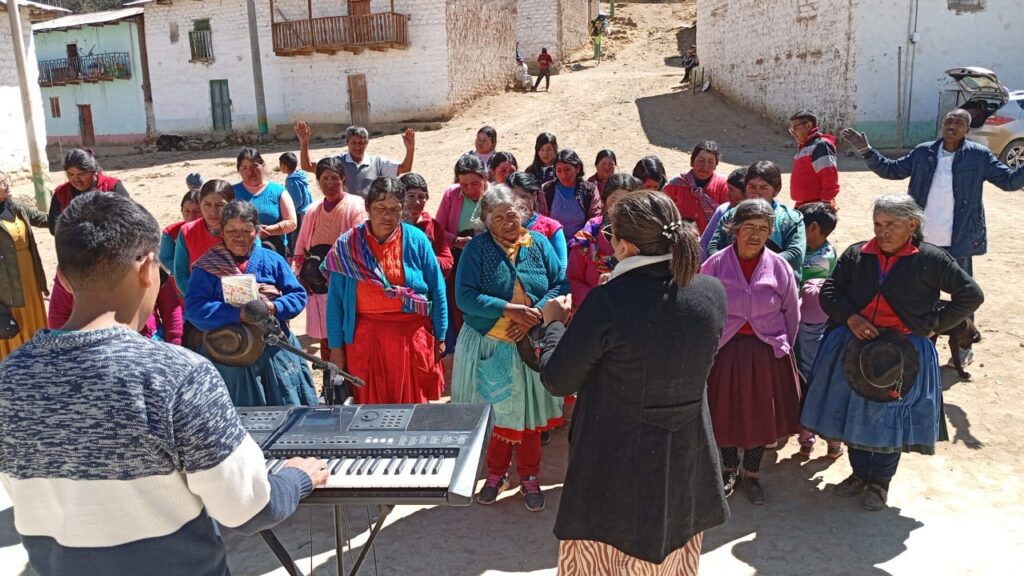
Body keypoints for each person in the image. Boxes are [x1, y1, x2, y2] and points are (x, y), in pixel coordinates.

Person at [0, 192, 328, 576]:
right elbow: (250, 509)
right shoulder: (179, 376)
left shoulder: (10, 377)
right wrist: (297, 477)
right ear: (146, 268)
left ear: (65, 280)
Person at [537, 189, 728, 575]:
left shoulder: (608, 301)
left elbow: (559, 379)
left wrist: (553, 322)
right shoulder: (711, 292)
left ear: (622, 245)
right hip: (683, 460)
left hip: (616, 466)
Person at [801, 195, 983, 511]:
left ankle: (879, 484)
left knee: (889, 418)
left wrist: (933, 325)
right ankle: (859, 475)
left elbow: (971, 294)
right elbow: (831, 291)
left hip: (904, 354)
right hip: (854, 347)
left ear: (911, 226)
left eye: (891, 225)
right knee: (853, 412)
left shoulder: (932, 259)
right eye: (878, 224)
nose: (882, 232)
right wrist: (851, 318)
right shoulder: (857, 254)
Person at [452, 185, 567, 512]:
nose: (507, 222)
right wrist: (508, 309)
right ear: (486, 221)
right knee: (497, 414)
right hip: (493, 342)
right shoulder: (477, 249)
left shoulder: (539, 243)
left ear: (524, 213)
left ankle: (530, 477)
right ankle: (496, 474)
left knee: (529, 415)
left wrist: (534, 316)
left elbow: (560, 284)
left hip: (532, 343)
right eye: (498, 217)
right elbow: (465, 297)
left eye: (512, 214)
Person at [700, 199, 803, 505]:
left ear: (770, 231)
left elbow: (791, 312)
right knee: (725, 412)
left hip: (765, 352)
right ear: (734, 229)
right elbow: (703, 306)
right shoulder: (715, 264)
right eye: (749, 228)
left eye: (762, 228)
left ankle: (753, 473)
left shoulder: (779, 266)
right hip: (725, 351)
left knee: (761, 416)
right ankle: (729, 470)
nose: (755, 235)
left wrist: (784, 348)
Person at [325, 177, 448, 404]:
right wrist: (336, 347)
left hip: (410, 340)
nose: (388, 215)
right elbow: (335, 302)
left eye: (395, 209)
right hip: (365, 340)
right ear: (367, 208)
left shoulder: (417, 240)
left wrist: (440, 335)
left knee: (413, 409)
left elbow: (437, 289)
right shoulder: (348, 245)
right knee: (370, 409)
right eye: (380, 208)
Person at [185, 201, 318, 407]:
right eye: (231, 230)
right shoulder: (206, 268)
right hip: (229, 354)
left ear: (256, 231)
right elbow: (194, 309)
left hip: (274, 345)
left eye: (246, 230)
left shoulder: (272, 260)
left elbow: (297, 295)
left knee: (286, 405)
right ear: (221, 231)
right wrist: (238, 315)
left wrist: (273, 307)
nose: (238, 237)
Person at [292, 157, 367, 359]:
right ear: (318, 181)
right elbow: (300, 244)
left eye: (335, 178)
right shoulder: (313, 210)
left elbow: (358, 243)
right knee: (326, 336)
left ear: (343, 179)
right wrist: (301, 275)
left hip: (344, 278)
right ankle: (331, 383)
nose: (330, 184)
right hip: (317, 281)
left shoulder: (355, 206)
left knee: (348, 332)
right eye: (324, 179)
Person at [46, 148, 129, 330]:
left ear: (94, 171)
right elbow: (54, 227)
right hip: (75, 260)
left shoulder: (112, 186)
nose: (75, 179)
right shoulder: (62, 193)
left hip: (110, 259)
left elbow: (128, 220)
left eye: (81, 173)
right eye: (70, 174)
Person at [793, 201, 842, 458]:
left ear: (813, 228)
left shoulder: (818, 259)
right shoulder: (826, 250)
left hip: (810, 327)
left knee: (809, 378)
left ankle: (810, 436)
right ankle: (829, 440)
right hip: (818, 325)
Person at [707, 161, 807, 280]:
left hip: (776, 283)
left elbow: (795, 255)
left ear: (776, 190)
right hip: (732, 281)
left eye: (764, 188)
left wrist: (757, 266)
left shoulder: (790, 220)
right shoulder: (731, 216)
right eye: (752, 187)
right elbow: (714, 247)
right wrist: (735, 266)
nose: (757, 193)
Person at [566, 173, 643, 312]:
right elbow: (572, 279)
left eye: (626, 201)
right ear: (604, 200)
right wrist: (599, 302)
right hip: (591, 311)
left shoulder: (643, 237)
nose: (619, 207)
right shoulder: (588, 237)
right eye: (614, 200)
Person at [0, 172, 49, 360]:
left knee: (33, 314)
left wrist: (68, 216)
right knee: (12, 321)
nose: (7, 184)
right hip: (6, 283)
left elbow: (41, 219)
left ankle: (38, 359)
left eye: (6, 180)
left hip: (30, 275)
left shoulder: (17, 205)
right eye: (1, 182)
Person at [295, 122, 416, 196]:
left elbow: (405, 168)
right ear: (347, 142)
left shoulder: (377, 162)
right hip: (344, 213)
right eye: (353, 142)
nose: (357, 147)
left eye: (361, 143)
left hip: (368, 216)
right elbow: (308, 166)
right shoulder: (337, 162)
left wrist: (410, 149)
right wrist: (304, 143)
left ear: (367, 143)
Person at [174, 180, 235, 298]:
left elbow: (255, 267)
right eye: (207, 204)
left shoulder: (245, 230)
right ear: (200, 203)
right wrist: (198, 299)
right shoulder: (188, 231)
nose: (213, 212)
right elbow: (181, 274)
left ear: (231, 204)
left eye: (220, 205)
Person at [233, 148, 297, 257]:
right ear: (239, 170)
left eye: (254, 166)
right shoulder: (231, 192)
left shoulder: (278, 191)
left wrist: (268, 231)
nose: (250, 171)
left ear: (263, 166)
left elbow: (292, 222)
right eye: (244, 168)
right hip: (240, 252)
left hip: (274, 250)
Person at [664, 141, 730, 233]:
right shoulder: (677, 183)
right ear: (692, 162)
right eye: (701, 160)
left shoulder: (723, 185)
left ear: (715, 166)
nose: (705, 166)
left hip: (710, 240)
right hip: (680, 237)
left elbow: (727, 215)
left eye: (710, 162)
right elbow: (663, 209)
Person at [508, 171, 567, 272]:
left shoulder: (551, 228)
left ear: (534, 195)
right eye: (513, 198)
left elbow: (560, 268)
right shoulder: (501, 226)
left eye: (523, 197)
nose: (518, 202)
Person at [537, 148, 603, 238]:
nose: (563, 175)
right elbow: (541, 220)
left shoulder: (589, 191)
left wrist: (579, 240)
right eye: (559, 170)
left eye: (567, 169)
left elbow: (595, 220)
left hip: (582, 245)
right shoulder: (546, 190)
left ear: (577, 168)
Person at [400, 173, 454, 278]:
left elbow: (447, 263)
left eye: (421, 197)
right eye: (411, 196)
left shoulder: (433, 227)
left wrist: (424, 259)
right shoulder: (389, 225)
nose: (417, 202)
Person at [789, 110, 840, 209]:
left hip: (817, 206)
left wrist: (825, 205)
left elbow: (829, 177)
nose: (793, 133)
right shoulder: (805, 147)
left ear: (808, 126)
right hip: (803, 205)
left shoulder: (820, 145)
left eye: (795, 128)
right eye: (791, 130)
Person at [700, 167, 747, 259]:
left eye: (731, 189)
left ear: (745, 192)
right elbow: (705, 243)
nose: (727, 193)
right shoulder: (723, 210)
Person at [280, 151, 313, 256]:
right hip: (305, 210)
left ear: (284, 166)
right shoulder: (300, 176)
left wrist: (289, 210)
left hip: (298, 213)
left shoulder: (292, 181)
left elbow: (296, 200)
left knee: (296, 239)